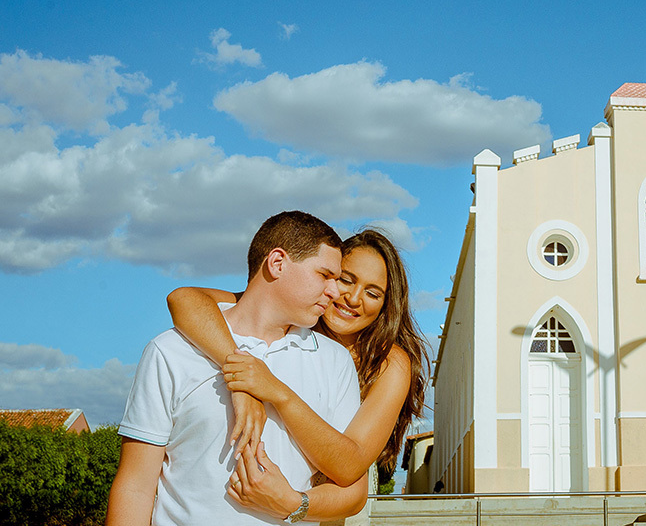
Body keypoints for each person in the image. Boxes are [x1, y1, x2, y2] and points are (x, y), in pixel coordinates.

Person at [106, 211, 368, 526]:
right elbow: (136, 485)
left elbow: (350, 484)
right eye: (324, 275)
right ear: (277, 263)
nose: (334, 291)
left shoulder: (336, 362)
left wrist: (292, 504)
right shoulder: (172, 351)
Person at [165, 228, 427, 524]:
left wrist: (289, 502)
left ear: (386, 305)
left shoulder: (389, 363)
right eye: (345, 280)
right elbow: (185, 298)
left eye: (372, 292)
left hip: (329, 509)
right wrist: (241, 381)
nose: (353, 299)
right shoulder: (293, 318)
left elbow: (350, 469)